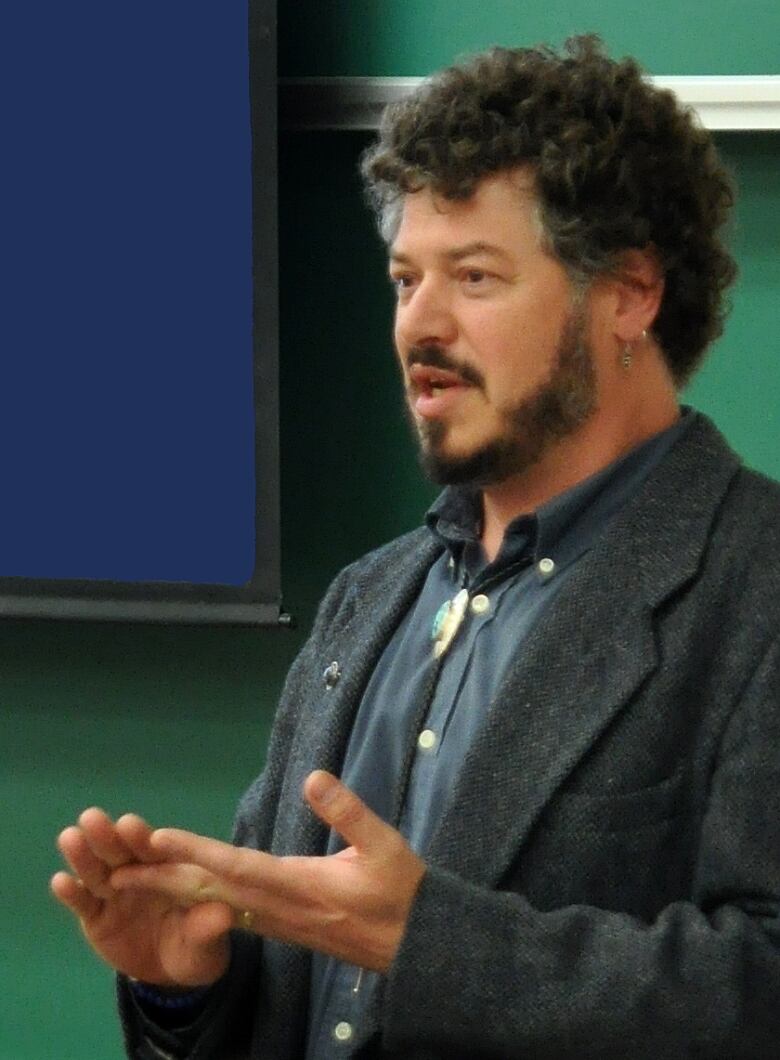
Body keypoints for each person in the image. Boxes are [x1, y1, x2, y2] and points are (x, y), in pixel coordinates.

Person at [52, 36, 780, 1059]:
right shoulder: (369, 596)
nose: (419, 325)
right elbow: (291, 972)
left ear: (630, 294)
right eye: (405, 280)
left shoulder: (755, 583)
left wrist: (431, 941)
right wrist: (188, 986)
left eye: (474, 277)